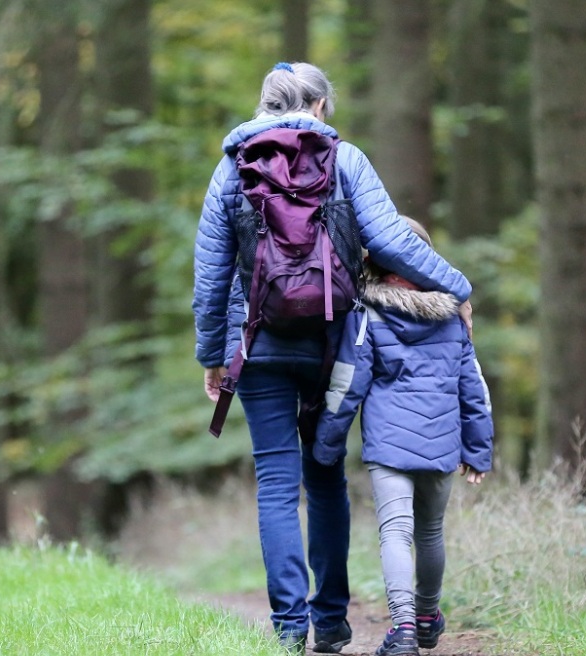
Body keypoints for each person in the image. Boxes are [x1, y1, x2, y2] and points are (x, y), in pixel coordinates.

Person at [192, 62, 473, 654]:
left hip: (259, 343)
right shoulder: (346, 159)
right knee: (325, 477)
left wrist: (213, 356)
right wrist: (458, 288)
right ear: (320, 106)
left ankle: (289, 627)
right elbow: (393, 240)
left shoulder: (231, 169)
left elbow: (211, 276)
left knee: (275, 482)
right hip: (333, 344)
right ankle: (333, 620)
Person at [314, 217, 493, 656]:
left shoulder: (367, 313)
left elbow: (347, 383)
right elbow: (474, 387)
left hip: (390, 446)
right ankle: (429, 617)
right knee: (431, 531)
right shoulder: (453, 316)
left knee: (396, 532)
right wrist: (478, 448)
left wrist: (327, 443)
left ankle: (405, 631)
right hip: (442, 443)